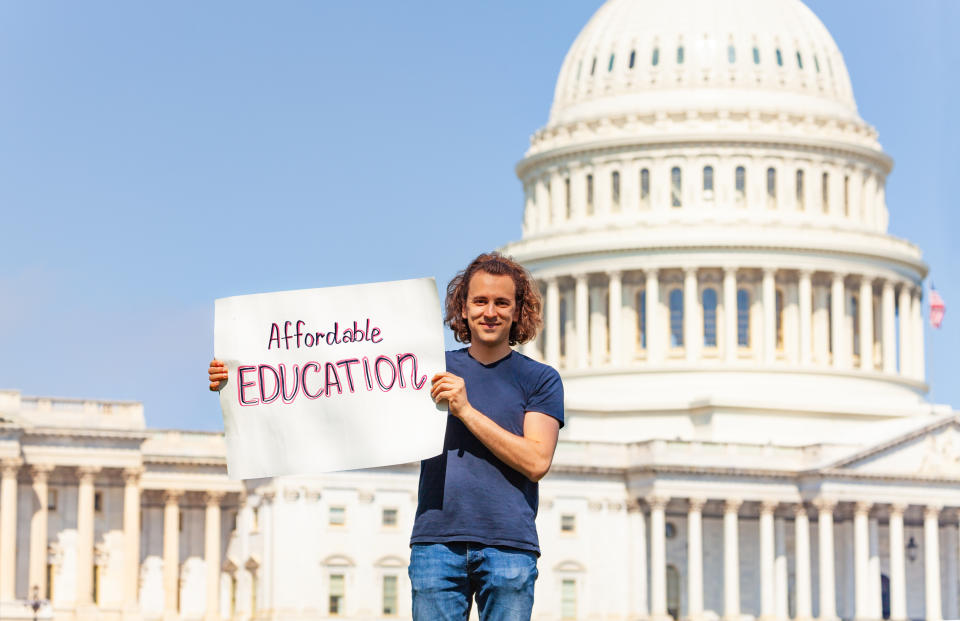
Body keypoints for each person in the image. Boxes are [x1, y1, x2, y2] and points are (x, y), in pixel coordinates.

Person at [207, 252, 564, 620]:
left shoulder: (540, 379)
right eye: (480, 301)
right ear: (463, 306)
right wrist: (236, 381)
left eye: (502, 302)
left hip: (509, 545)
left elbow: (536, 461)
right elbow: (335, 396)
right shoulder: (426, 367)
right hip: (436, 542)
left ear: (519, 310)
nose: (490, 311)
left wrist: (466, 410)